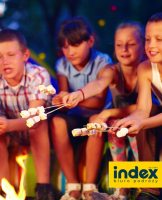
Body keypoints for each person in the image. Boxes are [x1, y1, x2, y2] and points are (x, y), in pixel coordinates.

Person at [61, 21, 148, 200]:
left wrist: (107, 113)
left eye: (131, 44)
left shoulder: (147, 70)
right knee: (112, 128)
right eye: (119, 45)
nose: (124, 49)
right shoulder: (112, 70)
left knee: (131, 129)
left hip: (145, 120)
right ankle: (121, 188)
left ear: (144, 46)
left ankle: (144, 187)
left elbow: (143, 107)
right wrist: (79, 94)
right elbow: (99, 84)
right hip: (120, 121)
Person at [0, 29, 54, 200]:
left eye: (11, 55)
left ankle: (43, 188)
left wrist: (7, 124)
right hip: (12, 133)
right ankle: (4, 189)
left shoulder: (38, 75)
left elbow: (34, 118)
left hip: (42, 133)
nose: (5, 62)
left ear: (25, 55)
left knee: (39, 122)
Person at [50, 17, 113, 200]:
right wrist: (59, 100)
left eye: (75, 45)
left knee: (95, 122)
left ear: (90, 41)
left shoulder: (102, 61)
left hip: (100, 114)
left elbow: (99, 102)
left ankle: (90, 188)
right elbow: (64, 102)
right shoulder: (62, 65)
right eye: (65, 46)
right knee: (57, 122)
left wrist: (73, 99)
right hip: (76, 115)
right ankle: (73, 186)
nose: (70, 51)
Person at [111, 12, 162, 200]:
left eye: (159, 39)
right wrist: (130, 121)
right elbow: (143, 109)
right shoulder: (146, 68)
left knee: (145, 123)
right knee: (145, 117)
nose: (152, 45)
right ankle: (149, 190)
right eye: (148, 39)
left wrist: (142, 123)